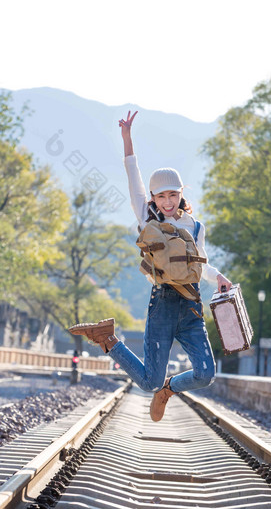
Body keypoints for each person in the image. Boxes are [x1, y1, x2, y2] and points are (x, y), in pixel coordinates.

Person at [69, 110, 232, 422]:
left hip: (191, 306)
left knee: (206, 374)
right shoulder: (148, 218)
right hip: (162, 304)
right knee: (148, 382)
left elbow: (200, 265)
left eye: (173, 194)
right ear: (154, 198)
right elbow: (134, 177)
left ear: (181, 193)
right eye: (161, 196)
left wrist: (219, 276)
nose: (168, 201)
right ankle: (108, 339)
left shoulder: (195, 226)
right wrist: (127, 139)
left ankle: (168, 389)